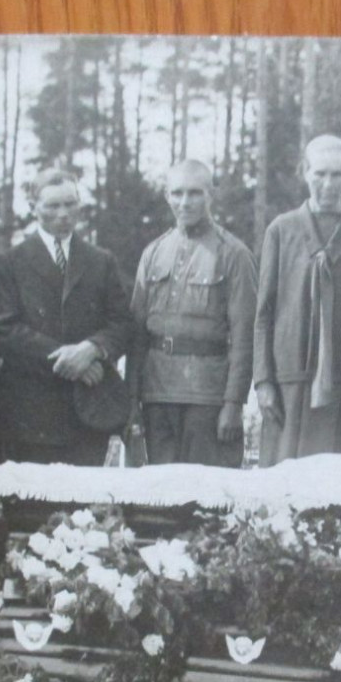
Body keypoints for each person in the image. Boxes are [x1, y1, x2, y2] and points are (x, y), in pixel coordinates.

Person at [253, 135, 341, 466]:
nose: (328, 184)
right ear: (304, 172)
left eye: (337, 174)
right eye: (320, 173)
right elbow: (264, 313)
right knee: (285, 487)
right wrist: (264, 381)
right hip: (292, 383)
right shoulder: (281, 231)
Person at [0, 168, 136, 466]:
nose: (63, 214)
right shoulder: (9, 263)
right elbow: (3, 330)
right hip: (30, 414)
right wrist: (72, 363)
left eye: (70, 204)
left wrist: (93, 349)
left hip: (88, 415)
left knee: (83, 509)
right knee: (33, 508)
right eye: (53, 206)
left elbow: (122, 323)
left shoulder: (101, 261)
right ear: (33, 208)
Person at [128, 159, 257, 467]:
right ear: (166, 196)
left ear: (211, 195)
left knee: (205, 498)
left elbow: (244, 337)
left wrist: (233, 403)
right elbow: (136, 336)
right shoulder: (153, 253)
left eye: (195, 193)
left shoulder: (234, 254)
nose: (185, 202)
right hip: (157, 394)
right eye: (177, 193)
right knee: (159, 497)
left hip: (208, 397)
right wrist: (132, 402)